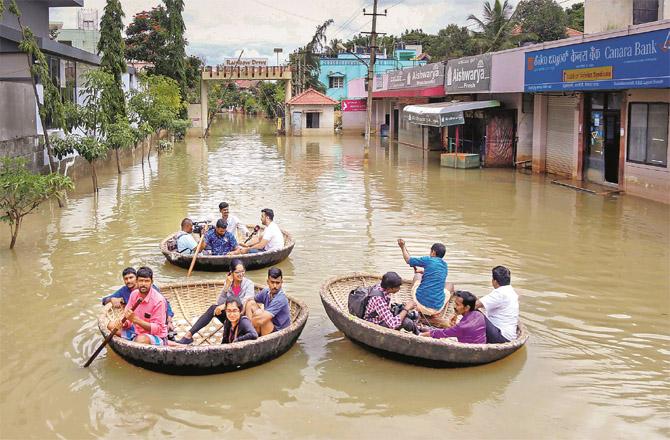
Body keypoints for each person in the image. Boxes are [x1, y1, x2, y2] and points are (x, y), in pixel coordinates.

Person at [177, 259, 255, 345]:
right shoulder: (229, 283)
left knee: (220, 308)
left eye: (242, 271)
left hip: (241, 318)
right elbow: (220, 302)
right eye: (237, 272)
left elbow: (244, 303)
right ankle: (188, 335)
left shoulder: (249, 284)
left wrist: (224, 306)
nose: (241, 274)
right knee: (213, 308)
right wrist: (226, 287)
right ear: (231, 272)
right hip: (230, 315)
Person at [101, 267, 175, 336]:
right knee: (111, 325)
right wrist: (111, 299)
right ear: (137, 280)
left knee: (145, 336)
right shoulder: (125, 291)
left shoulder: (150, 289)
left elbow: (165, 304)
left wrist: (169, 321)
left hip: (152, 323)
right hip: (136, 324)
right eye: (126, 279)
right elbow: (104, 300)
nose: (129, 281)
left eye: (131, 278)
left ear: (135, 278)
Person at [397, 239, 449, 327]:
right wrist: (425, 272)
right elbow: (434, 273)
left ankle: (421, 314)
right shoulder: (445, 265)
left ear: (433, 252)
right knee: (449, 286)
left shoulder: (428, 260)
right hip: (437, 308)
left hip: (420, 304)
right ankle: (434, 315)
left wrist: (402, 247)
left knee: (417, 276)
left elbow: (408, 260)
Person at [420, 291, 486, 344]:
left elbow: (443, 333)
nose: (454, 306)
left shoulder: (461, 326)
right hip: (480, 344)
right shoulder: (479, 315)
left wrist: (423, 335)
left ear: (467, 308)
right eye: (455, 303)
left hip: (466, 351)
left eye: (457, 305)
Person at [476, 266, 519, 343]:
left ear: (494, 281)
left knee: (472, 309)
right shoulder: (510, 291)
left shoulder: (499, 293)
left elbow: (475, 305)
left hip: (500, 336)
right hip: (509, 335)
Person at [244, 267, 290, 336]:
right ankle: (252, 332)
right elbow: (250, 300)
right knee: (250, 303)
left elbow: (260, 320)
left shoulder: (281, 298)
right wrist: (242, 312)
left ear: (281, 282)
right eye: (272, 282)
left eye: (278, 283)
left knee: (259, 315)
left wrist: (242, 326)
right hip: (269, 323)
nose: (275, 286)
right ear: (267, 282)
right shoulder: (266, 291)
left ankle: (249, 333)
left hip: (278, 331)